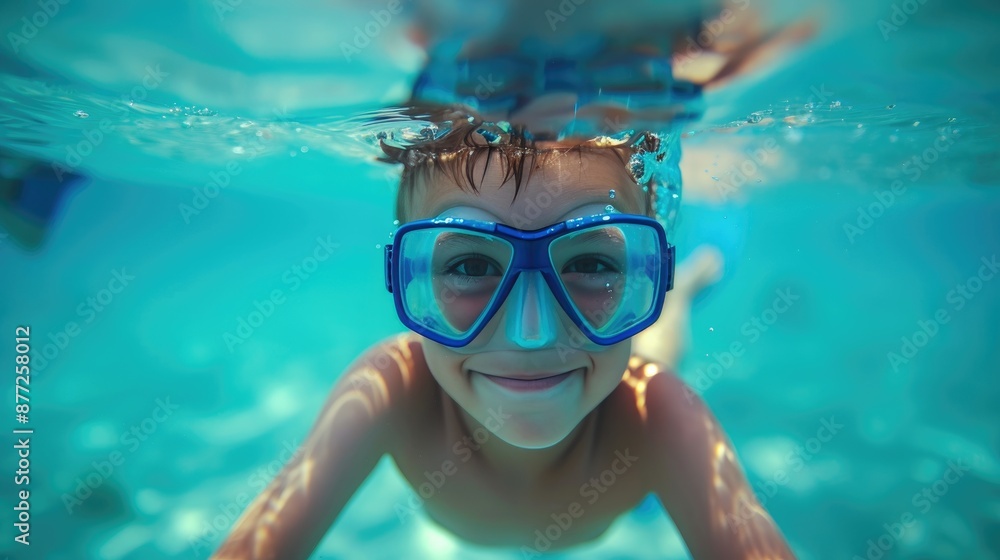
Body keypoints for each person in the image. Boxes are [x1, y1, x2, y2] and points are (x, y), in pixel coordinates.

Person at [212, 1, 810, 557]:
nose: (531, 333)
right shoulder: (391, 391)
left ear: (642, 274)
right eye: (470, 267)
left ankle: (687, 285)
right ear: (403, 281)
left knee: (661, 346)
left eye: (591, 264)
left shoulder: (655, 413)